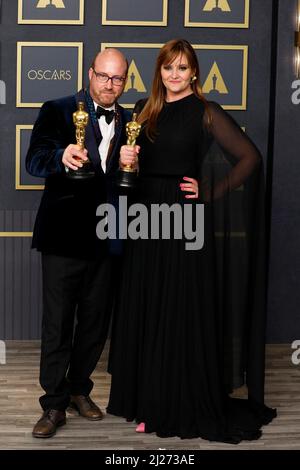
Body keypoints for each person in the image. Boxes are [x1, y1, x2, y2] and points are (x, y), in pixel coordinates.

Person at [107, 39, 276, 443]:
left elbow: (251, 158)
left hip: (184, 221)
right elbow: (127, 167)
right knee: (148, 308)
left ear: (194, 72)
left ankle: (172, 405)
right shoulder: (142, 110)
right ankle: (146, 403)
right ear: (159, 71)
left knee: (177, 312)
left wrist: (209, 191)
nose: (175, 75)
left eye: (182, 68)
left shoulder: (206, 112)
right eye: (169, 67)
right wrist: (123, 162)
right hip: (144, 219)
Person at [26, 48, 131, 438]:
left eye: (118, 78)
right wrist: (60, 155)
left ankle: (78, 389)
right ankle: (53, 405)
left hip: (108, 237)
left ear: (125, 81)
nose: (110, 85)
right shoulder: (56, 108)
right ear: (90, 74)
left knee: (94, 324)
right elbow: (33, 160)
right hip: (63, 236)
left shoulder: (130, 119)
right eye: (103, 76)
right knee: (57, 325)